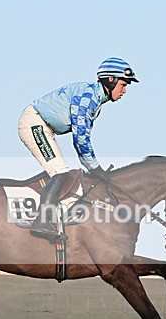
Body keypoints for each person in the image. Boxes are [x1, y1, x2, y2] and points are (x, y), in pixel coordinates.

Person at [18, 57, 139, 239]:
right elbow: (81, 139)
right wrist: (95, 168)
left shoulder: (95, 99)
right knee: (60, 172)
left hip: (45, 126)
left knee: (62, 172)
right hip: (35, 123)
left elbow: (81, 139)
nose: (125, 90)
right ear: (110, 80)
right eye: (123, 84)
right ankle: (42, 221)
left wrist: (93, 167)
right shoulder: (88, 98)